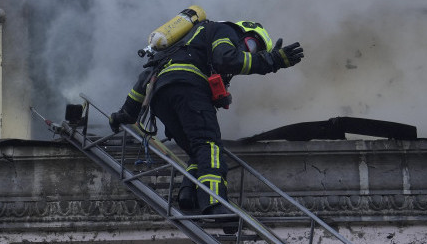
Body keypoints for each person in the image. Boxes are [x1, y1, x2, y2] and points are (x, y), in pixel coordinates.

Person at [109, 17, 305, 217]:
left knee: (198, 151)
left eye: (255, 51)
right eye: (252, 45)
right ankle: (214, 203)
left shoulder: (184, 45)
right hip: (189, 89)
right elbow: (227, 59)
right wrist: (272, 60)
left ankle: (188, 195)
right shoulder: (225, 30)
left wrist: (126, 113)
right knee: (209, 146)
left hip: (161, 98)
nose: (249, 52)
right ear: (244, 32)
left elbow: (145, 78)